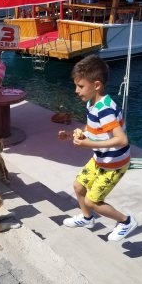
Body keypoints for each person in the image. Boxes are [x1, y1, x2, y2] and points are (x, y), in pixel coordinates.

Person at [58, 55, 137, 241]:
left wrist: (88, 144)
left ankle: (126, 222)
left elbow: (121, 140)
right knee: (78, 187)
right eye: (76, 85)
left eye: (80, 86)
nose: (76, 90)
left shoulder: (106, 110)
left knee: (92, 200)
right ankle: (87, 219)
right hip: (100, 159)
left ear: (97, 85)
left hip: (114, 164)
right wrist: (71, 134)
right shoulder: (91, 104)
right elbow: (93, 128)